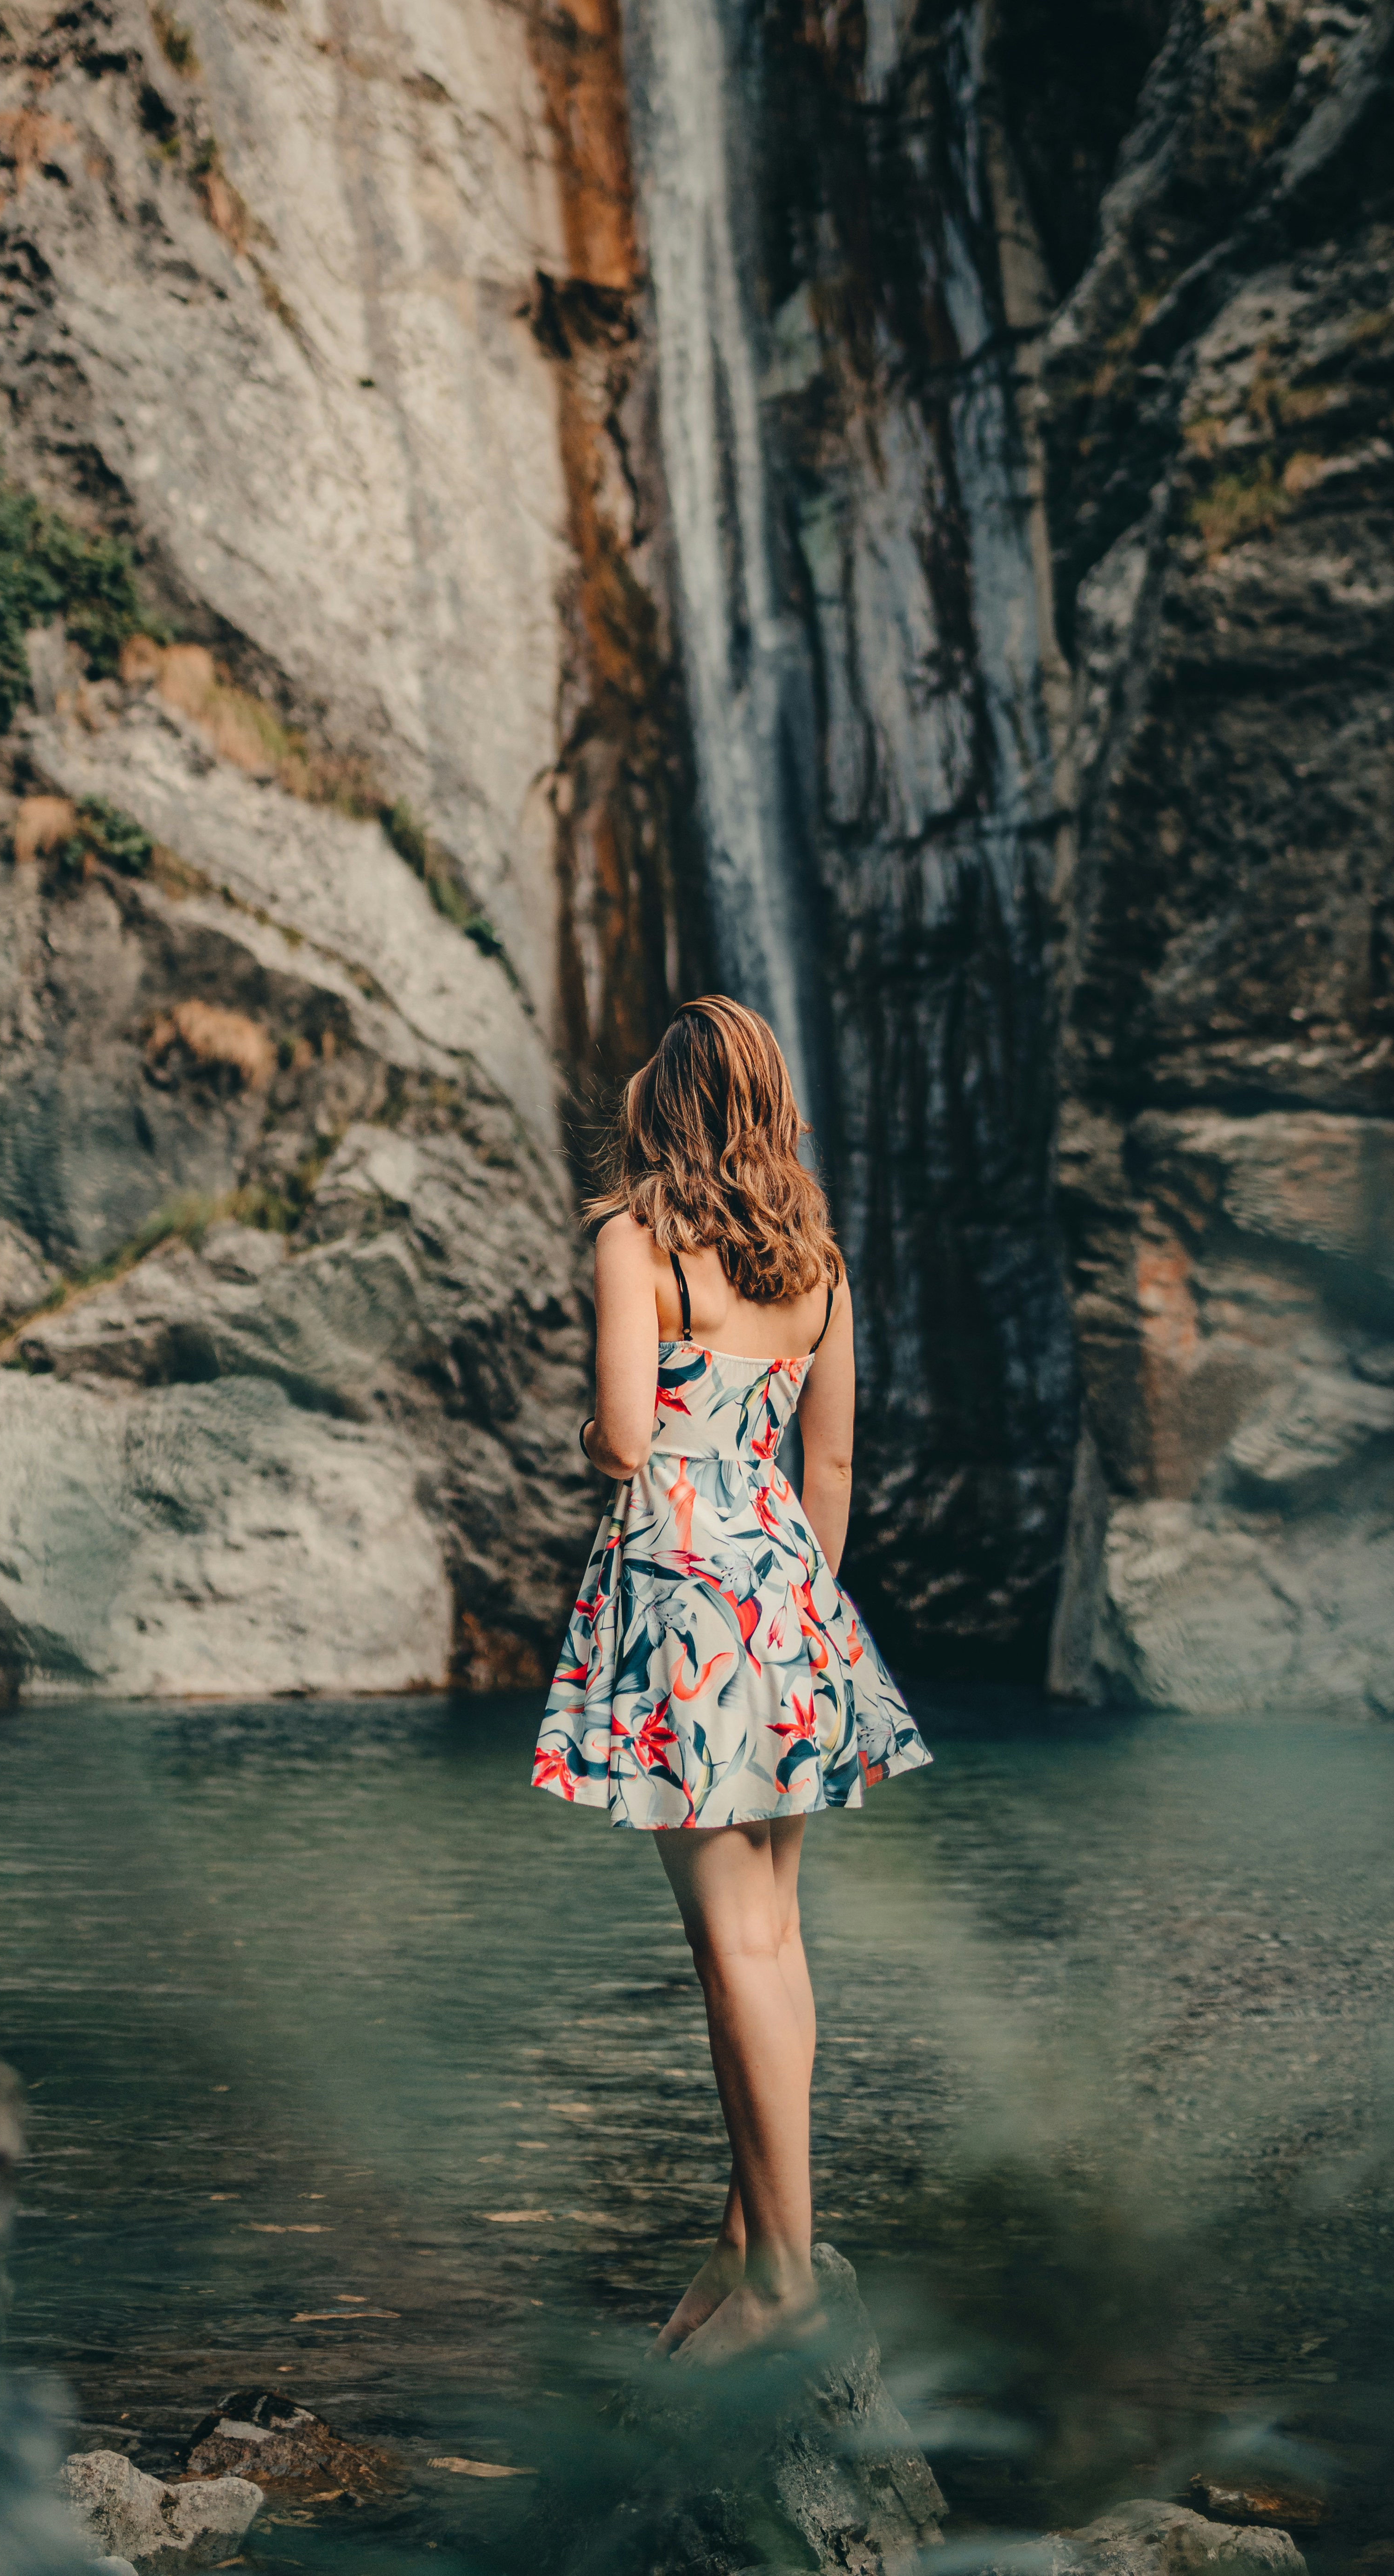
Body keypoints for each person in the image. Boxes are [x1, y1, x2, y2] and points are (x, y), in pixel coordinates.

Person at [531, 994, 931, 2360]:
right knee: (774, 1937)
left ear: (668, 1102)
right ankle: (747, 2240)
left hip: (681, 1606)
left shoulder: (637, 1240)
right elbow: (831, 1469)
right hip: (786, 1595)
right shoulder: (818, 1265)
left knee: (730, 1950)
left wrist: (594, 1423)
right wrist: (798, 1619)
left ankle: (789, 2281)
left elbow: (630, 1436)